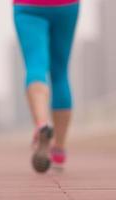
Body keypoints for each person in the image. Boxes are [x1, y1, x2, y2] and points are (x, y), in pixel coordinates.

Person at [13, 0, 79, 173]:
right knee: (60, 73)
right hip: (66, 5)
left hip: (28, 6)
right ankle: (59, 150)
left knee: (35, 66)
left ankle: (42, 124)